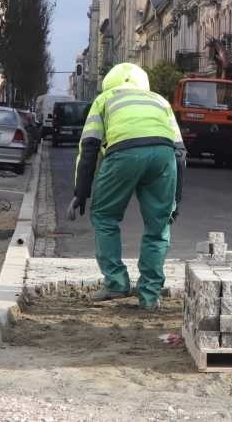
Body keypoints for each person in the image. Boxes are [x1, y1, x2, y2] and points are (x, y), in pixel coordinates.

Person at [67, 63, 186, 311]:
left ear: (110, 83)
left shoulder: (104, 99)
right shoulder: (160, 101)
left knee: (104, 215)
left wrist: (81, 192)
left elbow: (89, 147)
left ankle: (116, 282)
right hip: (164, 155)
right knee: (158, 226)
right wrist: (175, 199)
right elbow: (180, 153)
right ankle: (150, 295)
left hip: (123, 154)